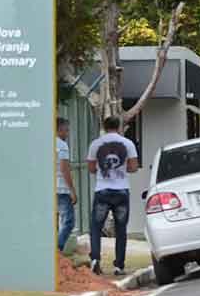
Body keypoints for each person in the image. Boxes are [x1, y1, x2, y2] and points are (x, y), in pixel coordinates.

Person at [86, 116, 139, 276]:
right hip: (122, 191)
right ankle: (119, 265)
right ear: (119, 126)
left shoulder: (95, 144)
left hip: (102, 190)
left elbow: (91, 168)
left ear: (104, 126)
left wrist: (102, 171)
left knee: (96, 227)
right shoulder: (128, 143)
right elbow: (134, 167)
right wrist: (122, 171)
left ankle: (95, 258)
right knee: (121, 229)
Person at [56, 118, 77, 252]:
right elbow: (64, 168)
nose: (68, 133)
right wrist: (72, 190)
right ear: (60, 130)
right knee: (68, 221)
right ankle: (58, 248)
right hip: (61, 188)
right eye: (66, 130)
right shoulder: (62, 145)